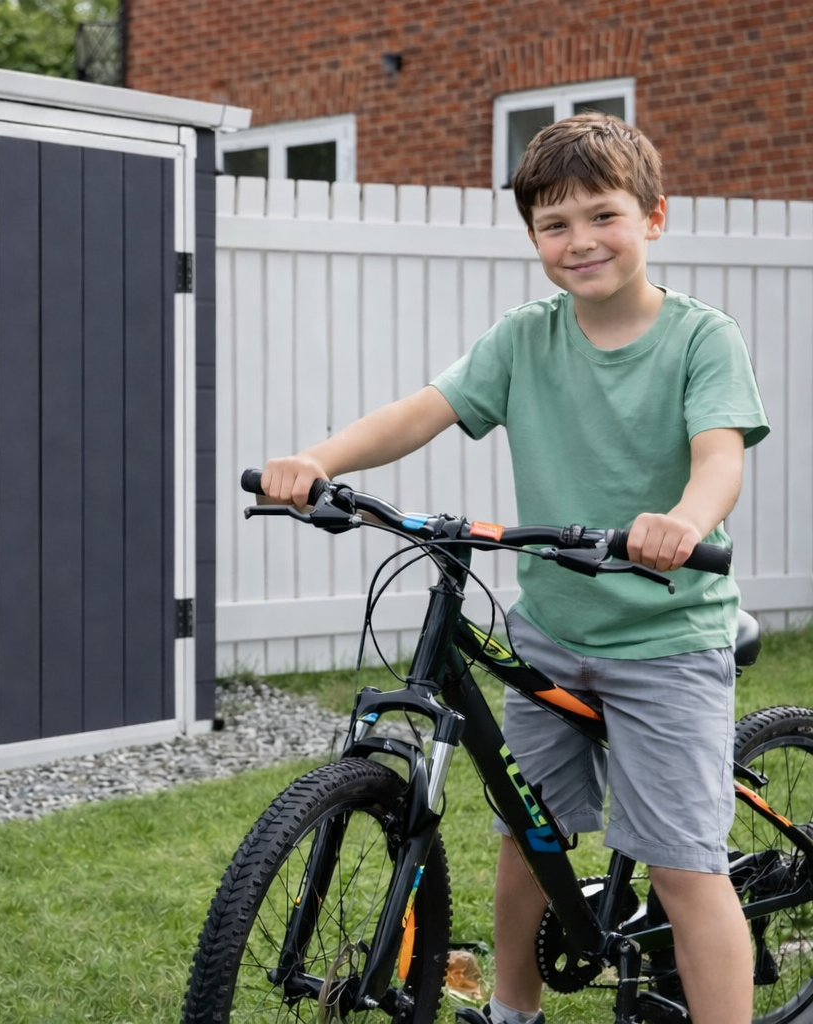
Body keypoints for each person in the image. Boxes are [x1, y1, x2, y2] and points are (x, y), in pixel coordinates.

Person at [260, 112, 768, 1024]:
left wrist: (683, 521)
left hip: (665, 638)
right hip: (553, 629)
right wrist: (319, 460)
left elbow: (719, 455)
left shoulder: (701, 339)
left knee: (683, 864)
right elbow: (425, 408)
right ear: (533, 236)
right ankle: (513, 1011)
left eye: (602, 216)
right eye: (555, 224)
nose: (580, 242)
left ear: (653, 217)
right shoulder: (525, 337)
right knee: (525, 837)